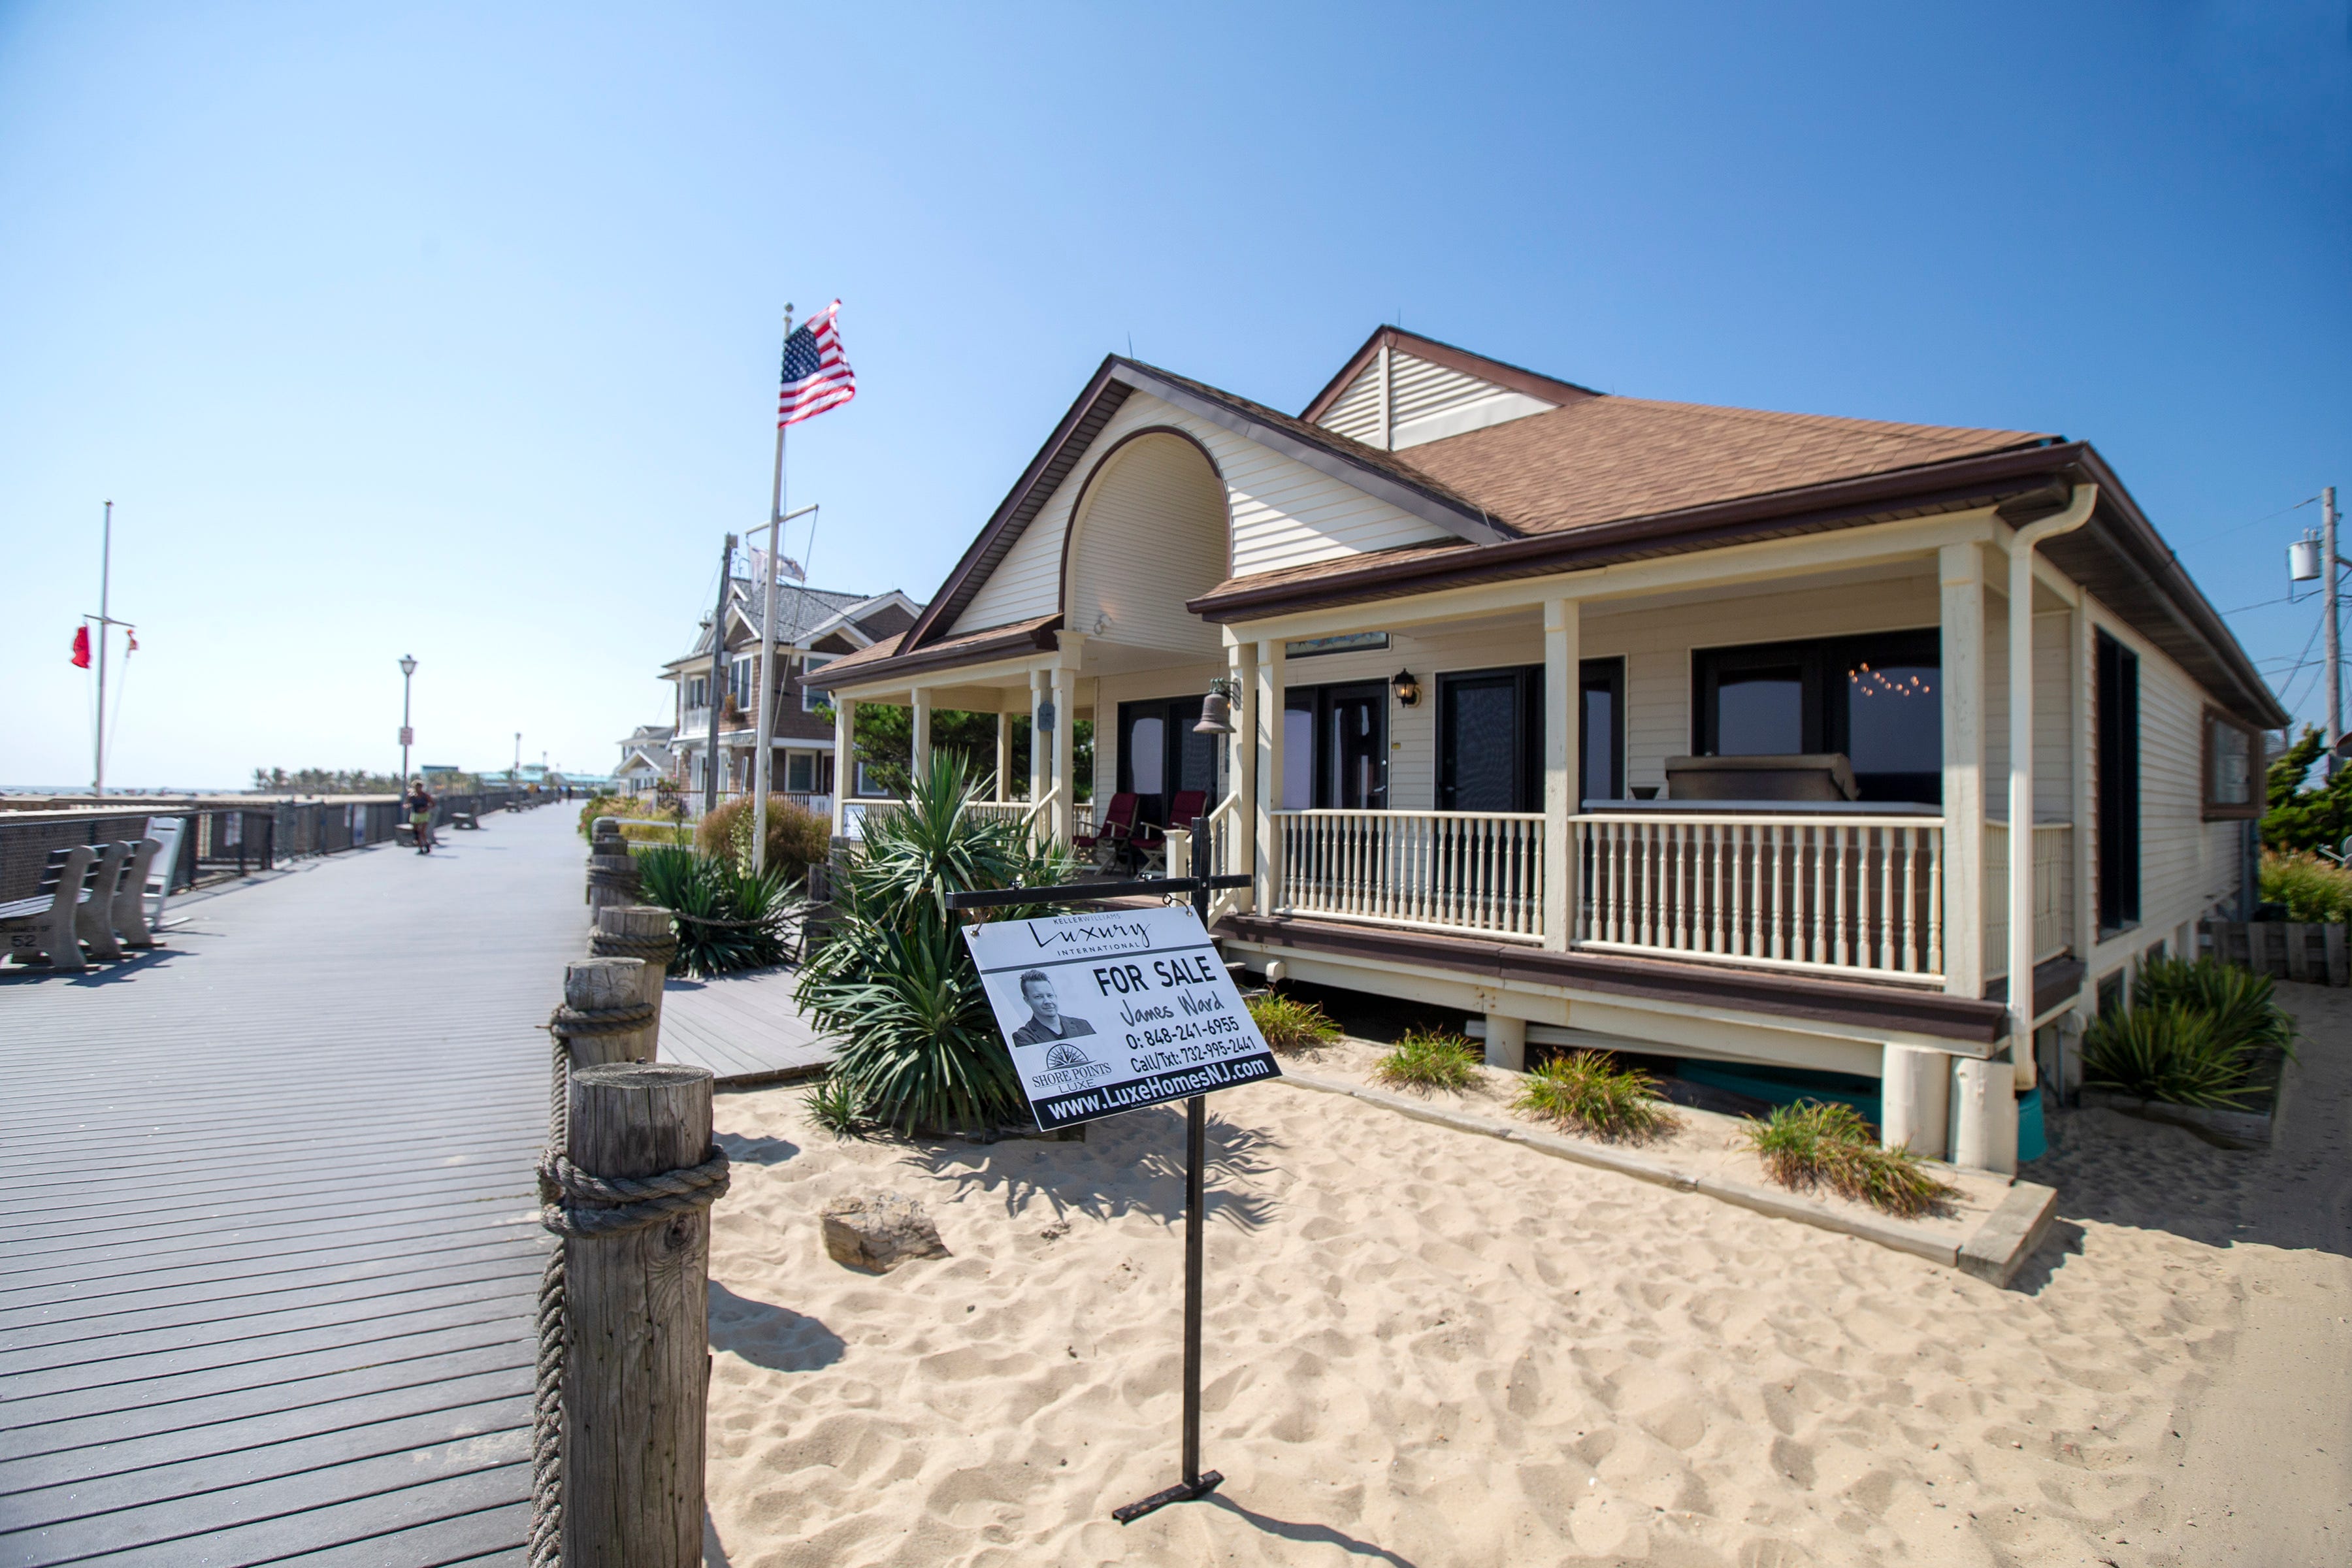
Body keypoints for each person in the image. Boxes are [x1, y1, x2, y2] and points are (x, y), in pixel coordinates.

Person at [1011, 970, 1095, 1047]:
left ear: (1055, 996)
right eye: (1038, 997)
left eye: (1050, 995)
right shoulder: (1024, 1037)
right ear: (1027, 1000)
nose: (1047, 1001)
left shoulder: (1082, 1025)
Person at [405, 777, 434, 853]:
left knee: (422, 831)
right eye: (417, 787)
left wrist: (426, 808)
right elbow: (406, 804)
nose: (418, 789)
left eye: (420, 787)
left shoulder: (425, 796)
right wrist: (408, 806)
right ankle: (420, 848)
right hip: (415, 815)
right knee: (416, 833)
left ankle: (427, 844)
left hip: (424, 815)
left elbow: (433, 804)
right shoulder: (411, 796)